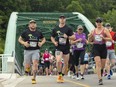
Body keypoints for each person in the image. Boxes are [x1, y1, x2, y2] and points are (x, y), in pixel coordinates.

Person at [18, 20, 46, 84]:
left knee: (35, 63)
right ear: (29, 25)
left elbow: (44, 39)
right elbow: (19, 39)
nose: (33, 25)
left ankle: (34, 78)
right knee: (27, 65)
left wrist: (41, 43)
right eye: (31, 23)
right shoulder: (25, 32)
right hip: (27, 51)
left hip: (36, 50)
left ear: (36, 25)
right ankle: (27, 69)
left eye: (34, 23)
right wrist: (24, 43)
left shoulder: (39, 32)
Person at [88, 17, 112, 85]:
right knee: (98, 63)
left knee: (103, 65)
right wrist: (90, 36)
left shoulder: (105, 30)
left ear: (102, 23)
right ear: (95, 23)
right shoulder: (93, 31)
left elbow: (110, 38)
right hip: (96, 47)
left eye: (100, 22)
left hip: (103, 47)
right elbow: (89, 41)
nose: (98, 23)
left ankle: (101, 70)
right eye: (97, 22)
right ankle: (100, 79)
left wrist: (103, 38)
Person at [51, 15, 74, 83]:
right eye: (61, 18)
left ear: (65, 20)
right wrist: (54, 42)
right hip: (58, 47)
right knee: (58, 61)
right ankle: (60, 74)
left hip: (66, 47)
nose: (62, 19)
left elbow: (73, 37)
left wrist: (67, 37)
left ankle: (62, 76)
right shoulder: (55, 28)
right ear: (59, 20)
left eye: (63, 18)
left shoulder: (68, 28)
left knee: (66, 63)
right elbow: (52, 37)